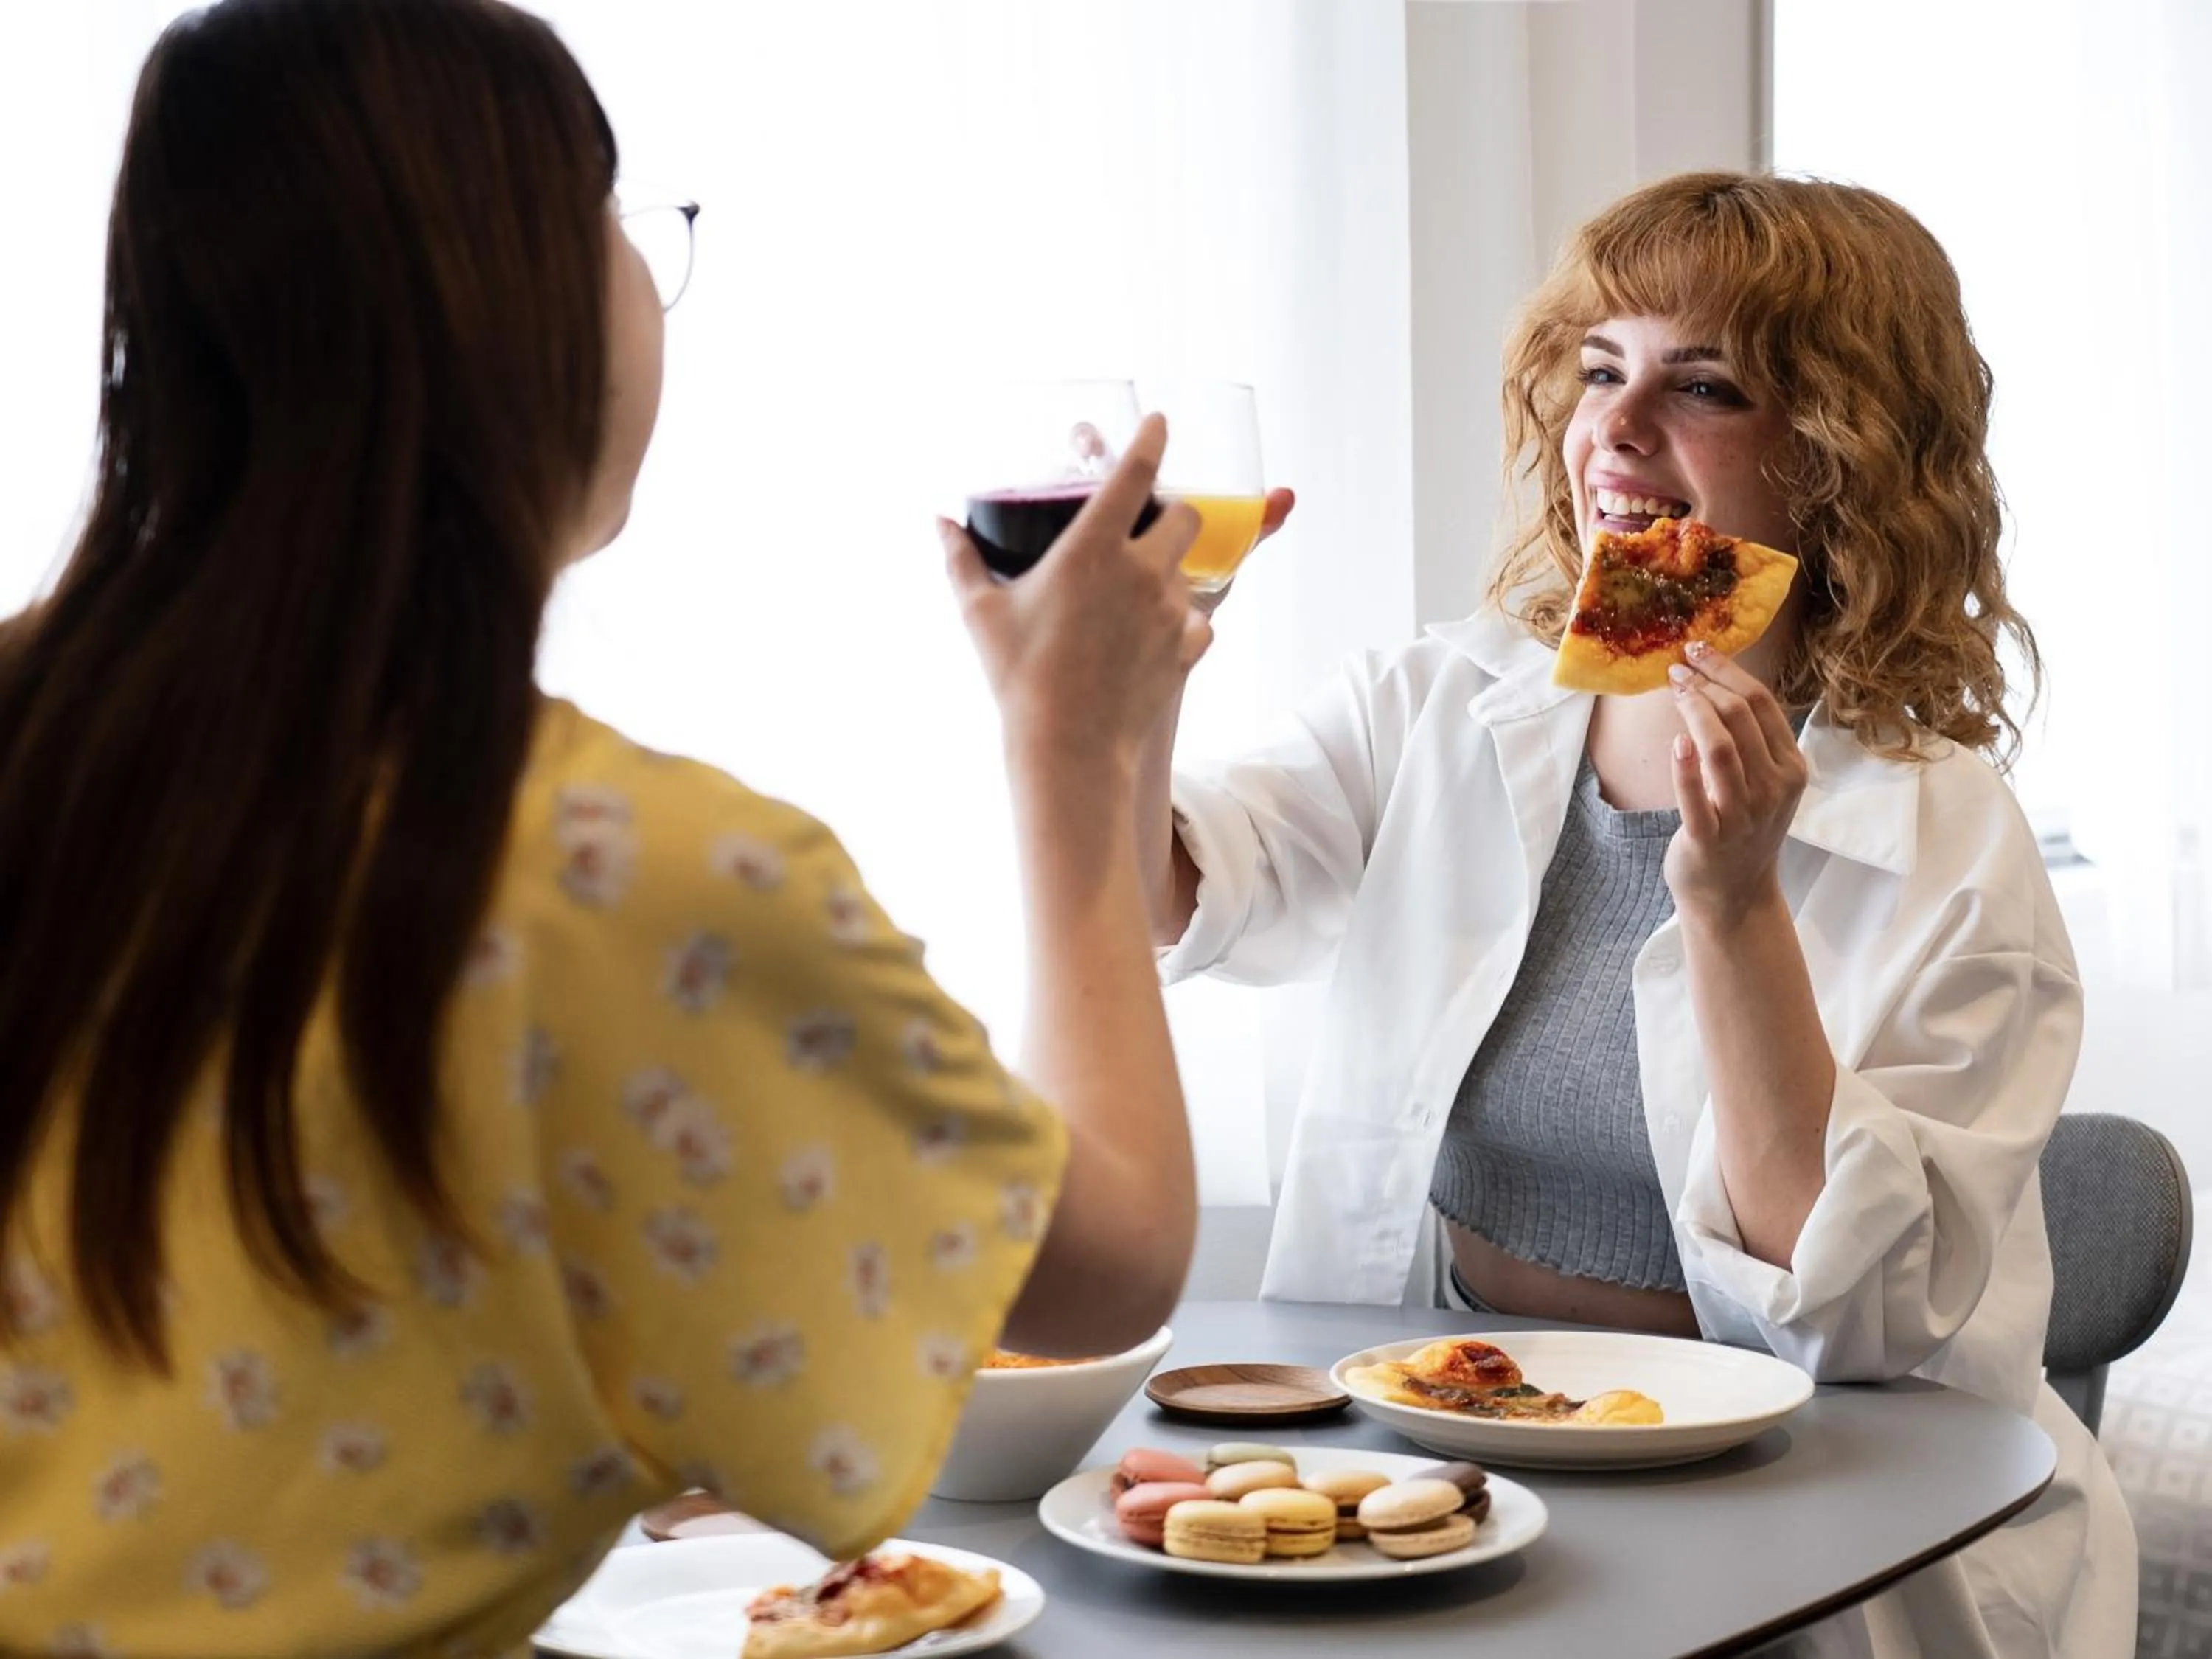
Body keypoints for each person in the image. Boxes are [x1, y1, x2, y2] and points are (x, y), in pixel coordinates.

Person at [0, 1, 1206, 1653]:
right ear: (519, 300)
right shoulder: (635, 882)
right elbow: (1114, 1259)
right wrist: (1073, 754)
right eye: (615, 219)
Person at [1146, 172, 2134, 1658]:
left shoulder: (1946, 836)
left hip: (1805, 1529)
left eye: (1705, 386)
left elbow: (1847, 1314)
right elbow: (1179, 890)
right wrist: (1113, 698)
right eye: (1601, 370)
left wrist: (1736, 907)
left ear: (1841, 451)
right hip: (1468, 1466)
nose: (1614, 427)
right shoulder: (1443, 701)